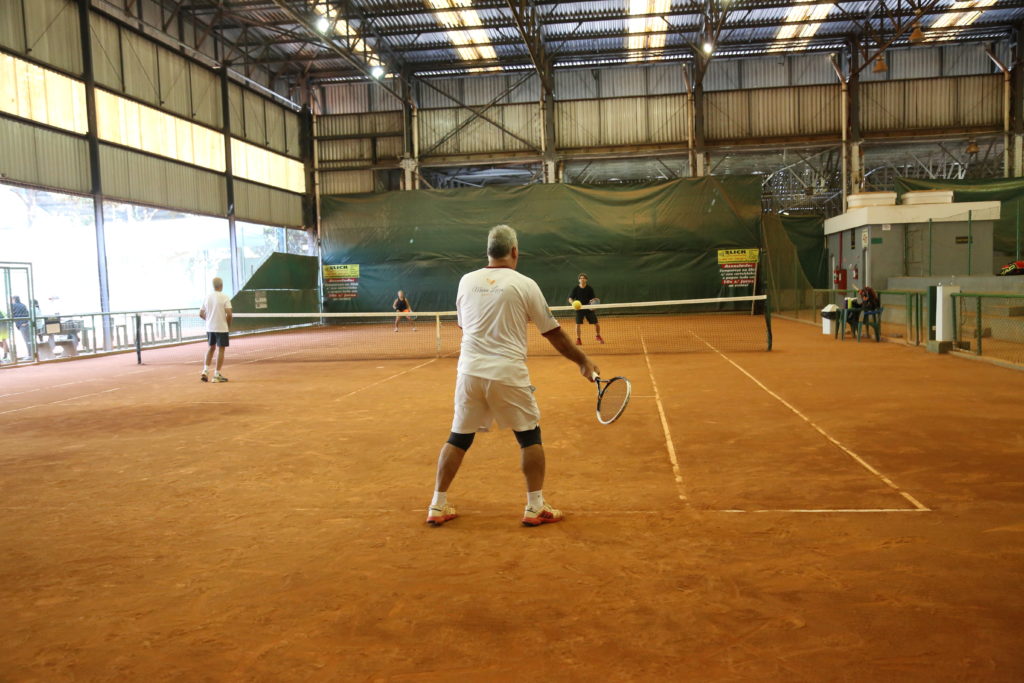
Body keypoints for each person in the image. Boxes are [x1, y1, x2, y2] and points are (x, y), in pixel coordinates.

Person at [426, 225, 599, 528]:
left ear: (489, 252)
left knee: (459, 437)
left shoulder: (466, 282)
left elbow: (464, 327)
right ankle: (535, 506)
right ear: (515, 251)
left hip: (468, 373)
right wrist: (582, 360)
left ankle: (437, 504)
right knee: (529, 436)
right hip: (507, 373)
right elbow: (552, 333)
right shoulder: (525, 284)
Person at [199, 277, 232, 382]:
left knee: (211, 348)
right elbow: (229, 313)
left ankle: (205, 370)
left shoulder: (207, 297)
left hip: (210, 328)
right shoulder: (225, 297)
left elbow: (200, 314)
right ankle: (217, 374)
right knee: (221, 349)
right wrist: (227, 325)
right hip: (221, 328)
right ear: (221, 286)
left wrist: (208, 320)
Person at [567, 273, 604, 345]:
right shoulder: (575, 288)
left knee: (596, 324)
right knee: (578, 324)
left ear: (586, 280)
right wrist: (573, 303)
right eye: (580, 278)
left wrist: (592, 305)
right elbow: (570, 298)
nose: (582, 279)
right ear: (579, 280)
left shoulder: (589, 288)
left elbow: (593, 299)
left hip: (588, 308)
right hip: (579, 308)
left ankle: (598, 335)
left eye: (583, 278)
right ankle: (578, 339)